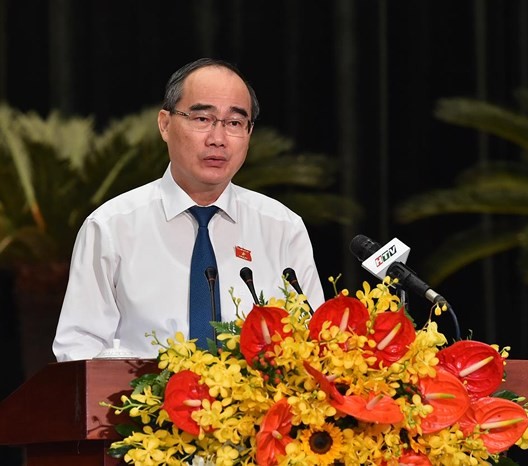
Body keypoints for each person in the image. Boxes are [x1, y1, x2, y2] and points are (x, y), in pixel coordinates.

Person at [52, 58, 324, 361]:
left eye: (234, 123)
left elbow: (310, 343)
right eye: (202, 119)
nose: (218, 139)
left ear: (249, 133)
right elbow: (78, 351)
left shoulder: (282, 228)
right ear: (165, 125)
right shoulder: (111, 227)